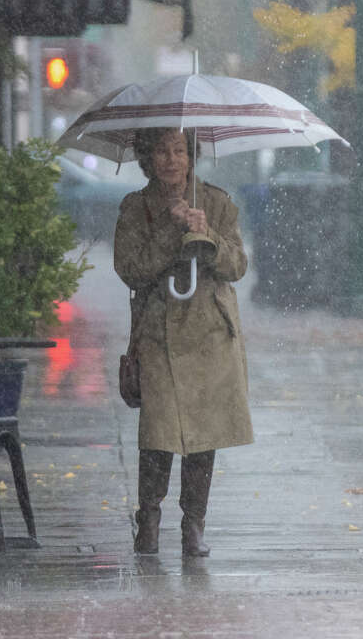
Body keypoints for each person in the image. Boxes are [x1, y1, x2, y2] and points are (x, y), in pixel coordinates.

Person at [113, 128, 253, 557]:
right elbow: (131, 268)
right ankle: (148, 521)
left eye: (179, 151)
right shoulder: (136, 207)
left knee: (202, 433)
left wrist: (205, 234)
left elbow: (237, 266)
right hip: (158, 331)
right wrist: (169, 235)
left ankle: (193, 525)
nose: (171, 160)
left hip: (210, 332)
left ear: (191, 157)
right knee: (158, 432)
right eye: (161, 151)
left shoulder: (216, 202)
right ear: (148, 158)